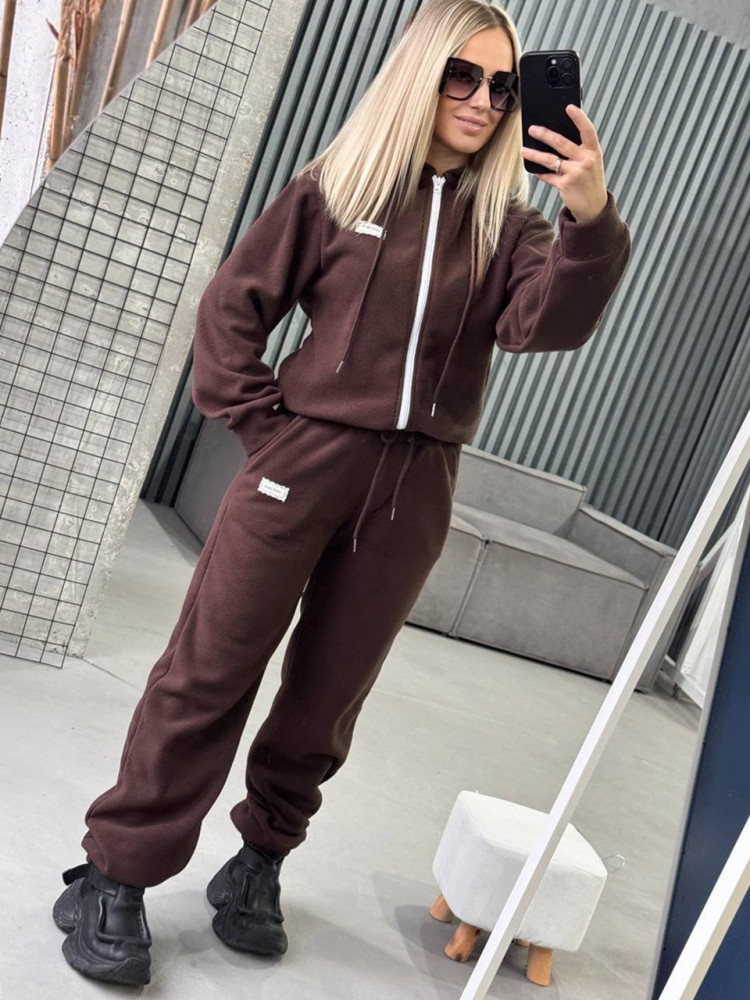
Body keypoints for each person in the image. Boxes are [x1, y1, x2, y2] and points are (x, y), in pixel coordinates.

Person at [52, 0, 630, 986]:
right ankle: (115, 873)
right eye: (460, 75)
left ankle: (260, 861)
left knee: (328, 695)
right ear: (419, 74)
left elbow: (545, 327)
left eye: (502, 86)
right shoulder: (337, 187)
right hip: (299, 467)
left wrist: (590, 217)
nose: (483, 101)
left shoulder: (513, 227)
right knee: (209, 670)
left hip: (416, 489)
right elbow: (232, 309)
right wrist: (267, 430)